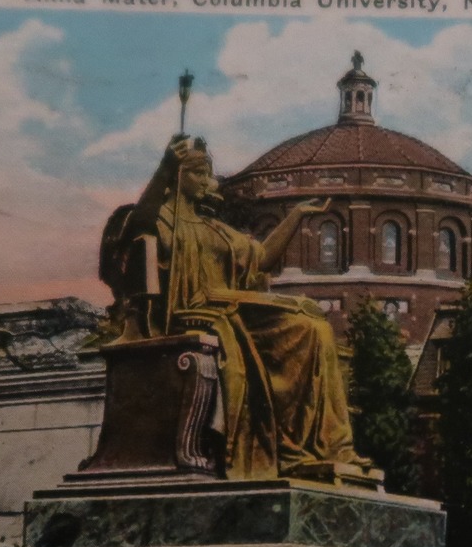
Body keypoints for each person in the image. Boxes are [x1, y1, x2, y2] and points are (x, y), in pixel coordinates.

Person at [98, 135, 365, 480]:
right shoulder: (162, 220)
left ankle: (317, 446)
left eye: (208, 174)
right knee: (293, 333)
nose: (208, 182)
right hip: (193, 312)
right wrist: (164, 169)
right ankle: (285, 448)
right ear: (180, 178)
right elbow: (139, 225)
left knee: (315, 328)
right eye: (199, 174)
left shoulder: (218, 230)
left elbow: (263, 258)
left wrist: (297, 215)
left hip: (233, 308)